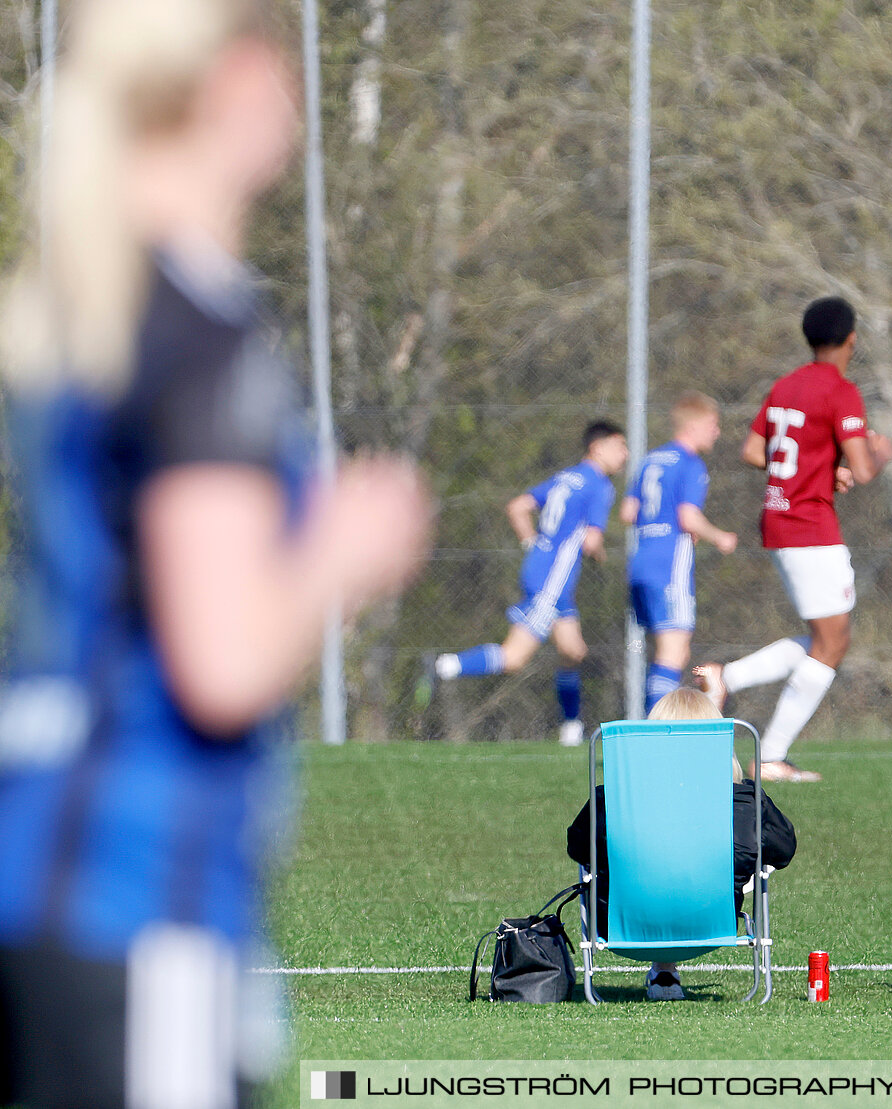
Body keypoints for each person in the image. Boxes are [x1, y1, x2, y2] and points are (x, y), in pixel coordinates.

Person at [0, 0, 431, 1104]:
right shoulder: (198, 337)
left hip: (47, 866)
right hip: (135, 891)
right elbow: (222, 658)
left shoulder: (95, 303)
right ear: (228, 87)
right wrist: (338, 547)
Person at [693, 297, 892, 782]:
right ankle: (771, 753)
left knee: (825, 639)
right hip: (810, 526)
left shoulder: (786, 385)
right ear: (851, 339)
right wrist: (877, 452)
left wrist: (821, 470)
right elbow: (863, 468)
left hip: (780, 519)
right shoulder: (840, 390)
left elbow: (752, 450)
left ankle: (731, 683)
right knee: (833, 642)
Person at [564, 687, 796, 1000]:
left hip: (622, 926)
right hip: (712, 923)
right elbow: (783, 851)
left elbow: (578, 849)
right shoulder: (744, 802)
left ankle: (663, 967)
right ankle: (665, 968)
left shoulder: (615, 798)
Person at [420, 421, 629, 746]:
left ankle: (571, 730)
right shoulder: (600, 485)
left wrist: (533, 544)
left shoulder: (566, 477)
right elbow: (591, 542)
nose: (625, 455)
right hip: (553, 581)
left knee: (573, 651)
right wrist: (599, 552)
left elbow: (517, 507)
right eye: (620, 447)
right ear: (597, 447)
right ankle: (444, 666)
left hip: (542, 569)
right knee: (514, 658)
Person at [619, 393, 737, 716]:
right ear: (694, 425)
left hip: (641, 562)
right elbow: (687, 517)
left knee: (665, 651)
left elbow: (628, 512)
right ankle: (654, 732)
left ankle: (651, 725)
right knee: (674, 652)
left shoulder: (651, 460)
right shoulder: (690, 463)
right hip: (670, 564)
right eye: (713, 425)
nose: (716, 432)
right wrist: (719, 537)